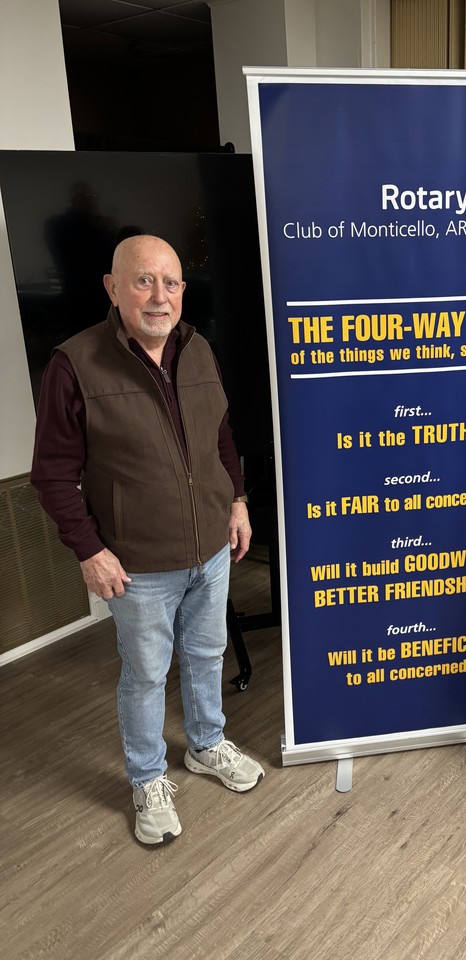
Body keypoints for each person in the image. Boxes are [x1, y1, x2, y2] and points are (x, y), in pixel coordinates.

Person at [31, 234, 264, 845]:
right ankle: (147, 776)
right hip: (137, 567)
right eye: (143, 281)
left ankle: (206, 744)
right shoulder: (74, 363)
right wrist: (89, 549)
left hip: (211, 550)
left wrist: (236, 501)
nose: (159, 296)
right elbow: (52, 473)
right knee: (145, 674)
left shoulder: (199, 349)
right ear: (113, 288)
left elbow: (220, 436)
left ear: (183, 291)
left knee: (208, 654)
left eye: (171, 282)